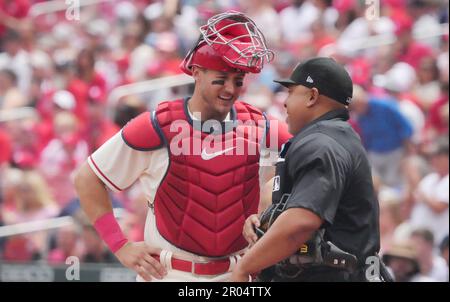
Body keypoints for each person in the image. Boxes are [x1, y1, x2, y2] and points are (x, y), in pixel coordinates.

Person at [74, 11, 291, 282]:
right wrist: (120, 246)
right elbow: (87, 178)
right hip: (170, 273)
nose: (230, 89)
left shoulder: (265, 129)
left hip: (239, 273)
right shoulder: (157, 125)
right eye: (221, 78)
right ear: (197, 73)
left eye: (238, 80)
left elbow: (297, 178)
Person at [231, 57, 381, 282]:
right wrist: (266, 221)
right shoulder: (334, 136)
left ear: (312, 96)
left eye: (291, 92)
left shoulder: (321, 143)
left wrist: (244, 268)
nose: (284, 102)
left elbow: (302, 221)